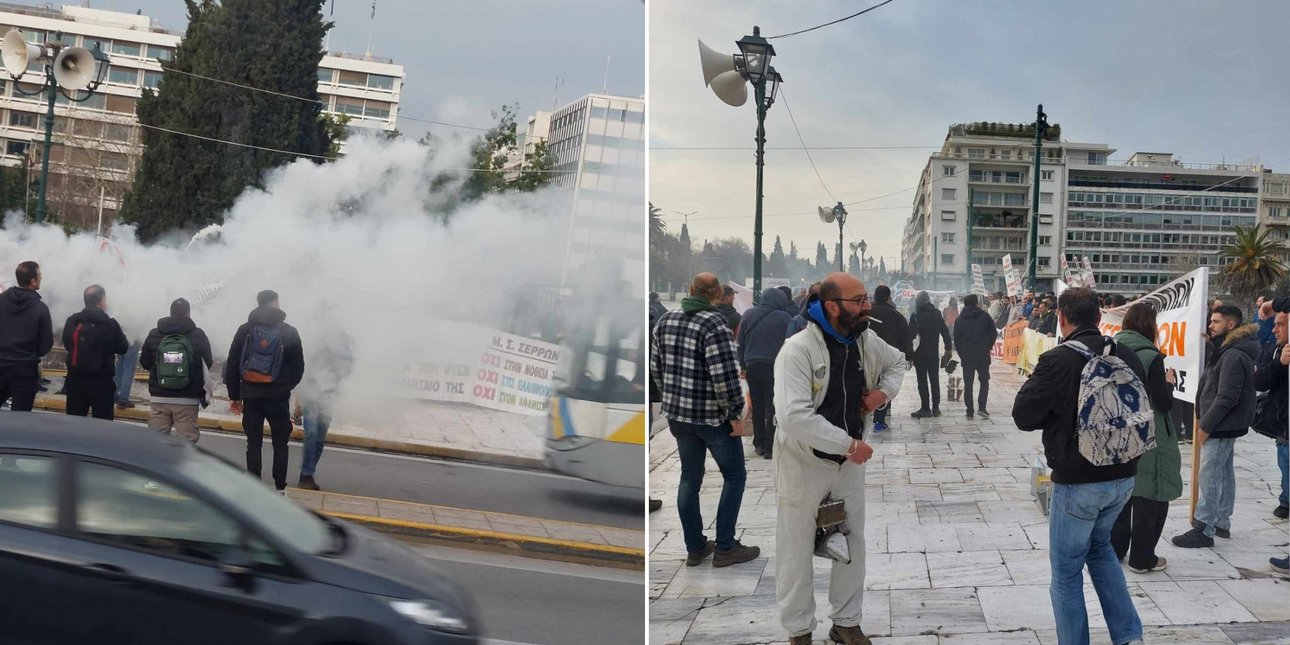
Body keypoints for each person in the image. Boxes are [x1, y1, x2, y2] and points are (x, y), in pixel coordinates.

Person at [772, 273, 906, 645]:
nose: (867, 307)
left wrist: (882, 395)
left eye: (866, 298)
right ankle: (799, 629)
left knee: (852, 541)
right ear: (832, 307)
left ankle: (846, 621)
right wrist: (849, 444)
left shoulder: (864, 339)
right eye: (858, 301)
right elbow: (793, 416)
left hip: (846, 465)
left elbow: (898, 363)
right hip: (803, 462)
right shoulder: (797, 350)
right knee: (795, 547)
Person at [1012, 287, 1144, 645]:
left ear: (1061, 318)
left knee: (1067, 574)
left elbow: (1023, 416)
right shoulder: (1126, 353)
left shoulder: (1058, 360)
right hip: (1123, 475)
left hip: (1078, 481)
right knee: (1100, 549)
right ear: (1099, 318)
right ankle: (1130, 636)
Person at [650, 273, 758, 568]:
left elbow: (655, 368)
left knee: (689, 478)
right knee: (734, 477)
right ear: (714, 295)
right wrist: (736, 414)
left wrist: (671, 399)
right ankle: (725, 546)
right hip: (712, 418)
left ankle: (695, 546)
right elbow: (724, 378)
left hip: (679, 416)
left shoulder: (666, 320)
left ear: (690, 291)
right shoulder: (714, 324)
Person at [1172, 305, 1259, 548]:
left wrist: (1205, 425)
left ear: (1231, 325)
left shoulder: (1232, 354)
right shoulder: (1230, 349)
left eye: (1216, 321)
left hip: (1221, 423)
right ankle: (1221, 520)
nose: (1210, 325)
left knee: (1209, 474)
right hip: (1226, 423)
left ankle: (1204, 527)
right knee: (1223, 471)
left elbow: (1227, 396)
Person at [1110, 303, 1183, 574]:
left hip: (1119, 431)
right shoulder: (1151, 357)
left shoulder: (1113, 349)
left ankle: (1115, 549)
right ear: (1150, 326)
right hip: (1149, 433)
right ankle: (1142, 557)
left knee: (1123, 494)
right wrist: (1169, 383)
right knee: (1150, 494)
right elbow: (1162, 403)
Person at [225, 290, 305, 493]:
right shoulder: (289, 331)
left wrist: (235, 395)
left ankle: (253, 487)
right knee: (280, 444)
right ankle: (280, 488)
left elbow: (233, 363)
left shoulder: (245, 330)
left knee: (253, 443)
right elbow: (298, 367)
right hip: (278, 397)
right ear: (275, 303)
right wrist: (286, 385)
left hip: (251, 395)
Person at [140, 298, 213, 442]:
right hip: (188, 398)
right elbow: (208, 362)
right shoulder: (198, 334)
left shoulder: (155, 333)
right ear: (188, 314)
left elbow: (145, 362)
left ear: (170, 312)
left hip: (159, 396)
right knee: (186, 445)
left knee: (156, 442)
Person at [294, 324, 354, 491]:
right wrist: (298, 399)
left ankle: (308, 473)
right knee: (311, 432)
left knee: (320, 436)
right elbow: (303, 370)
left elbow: (349, 366)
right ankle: (306, 473)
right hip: (311, 392)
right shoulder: (314, 340)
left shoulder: (343, 341)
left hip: (329, 393)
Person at [737, 287, 794, 459]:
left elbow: (741, 342)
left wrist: (743, 365)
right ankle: (770, 446)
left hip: (753, 366)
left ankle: (759, 443)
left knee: (758, 406)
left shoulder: (748, 315)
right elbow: (790, 343)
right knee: (773, 406)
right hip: (774, 367)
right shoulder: (784, 317)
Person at [61, 285, 128, 420]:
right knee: (103, 426)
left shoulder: (73, 321)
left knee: (74, 423)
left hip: (76, 380)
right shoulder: (111, 324)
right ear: (102, 301)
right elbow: (123, 348)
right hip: (102, 381)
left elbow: (68, 344)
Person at [0, 261, 52, 411]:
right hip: (25, 368)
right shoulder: (40, 308)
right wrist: (32, 353)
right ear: (33, 281)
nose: (41, 278)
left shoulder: (1, 300)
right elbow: (46, 343)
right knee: (21, 417)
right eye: (39, 275)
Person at [1252, 310, 1288, 520]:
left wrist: (1270, 303)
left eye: (1280, 325)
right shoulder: (1275, 351)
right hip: (1283, 422)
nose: (1274, 330)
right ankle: (1286, 501)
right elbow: (1259, 381)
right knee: (1285, 463)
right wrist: (1279, 364)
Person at [867, 285, 913, 432]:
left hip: (868, 353)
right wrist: (909, 355)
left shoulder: (866, 313)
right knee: (885, 384)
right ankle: (880, 417)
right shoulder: (896, 315)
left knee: (869, 382)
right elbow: (905, 336)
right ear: (888, 297)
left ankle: (869, 411)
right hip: (890, 355)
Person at [908, 291, 952, 418]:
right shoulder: (937, 313)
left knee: (922, 382)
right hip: (933, 354)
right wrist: (948, 348)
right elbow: (945, 331)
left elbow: (910, 336)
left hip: (920, 354)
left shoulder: (915, 315)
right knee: (934, 380)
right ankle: (936, 408)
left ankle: (925, 408)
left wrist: (909, 353)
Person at [952, 294, 995, 419]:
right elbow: (993, 333)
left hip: (967, 356)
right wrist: (987, 346)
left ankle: (969, 410)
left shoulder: (959, 319)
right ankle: (982, 408)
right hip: (982, 354)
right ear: (976, 302)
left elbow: (957, 340)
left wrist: (962, 353)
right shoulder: (985, 316)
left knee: (968, 384)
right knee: (984, 381)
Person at [114, 341, 140, 409]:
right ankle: (123, 399)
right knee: (128, 369)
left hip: (122, 339)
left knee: (119, 367)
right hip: (132, 340)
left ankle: (113, 394)